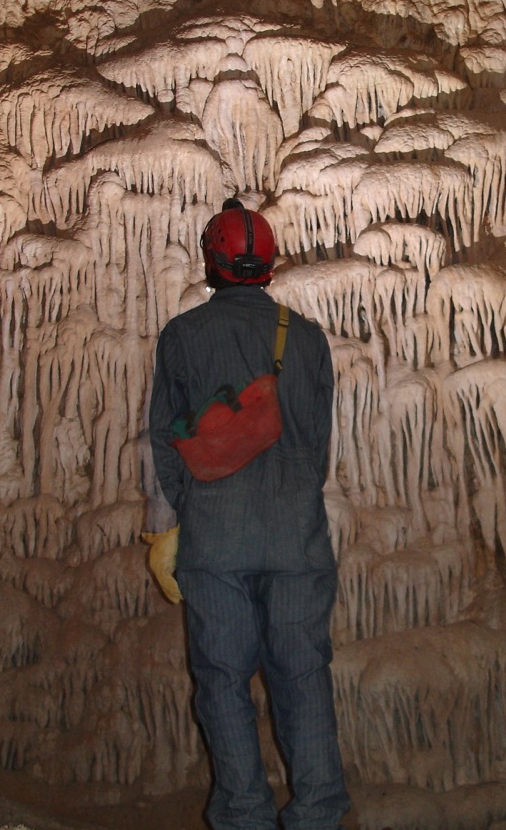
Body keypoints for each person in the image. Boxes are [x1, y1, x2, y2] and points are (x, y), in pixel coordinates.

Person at [144, 199, 350, 830]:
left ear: (212, 263)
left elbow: (165, 440)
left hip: (216, 538)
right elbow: (317, 445)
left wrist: (184, 514)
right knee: (303, 674)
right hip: (297, 537)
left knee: (223, 679)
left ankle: (244, 816)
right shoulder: (307, 338)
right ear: (270, 266)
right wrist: (289, 497)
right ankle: (317, 814)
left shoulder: (183, 336)